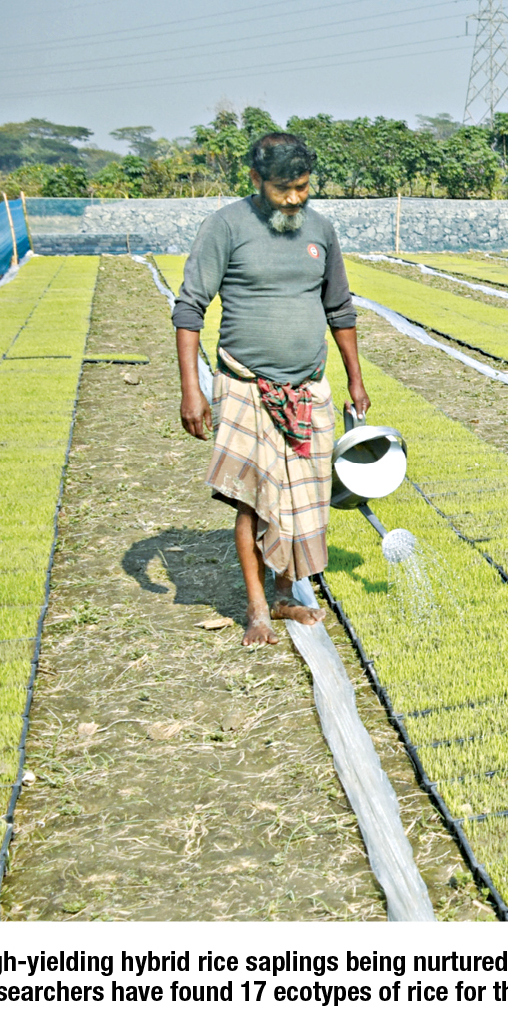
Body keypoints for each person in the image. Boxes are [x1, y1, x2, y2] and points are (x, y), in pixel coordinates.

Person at [172, 132, 369, 645]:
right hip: (244, 385)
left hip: (307, 387)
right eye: (284, 188)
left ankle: (284, 594)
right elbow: (190, 307)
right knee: (254, 498)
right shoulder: (226, 226)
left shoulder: (320, 230)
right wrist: (192, 389)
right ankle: (257, 607)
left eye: (303, 187)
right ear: (256, 179)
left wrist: (355, 379)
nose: (295, 198)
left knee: (304, 497)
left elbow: (339, 308)